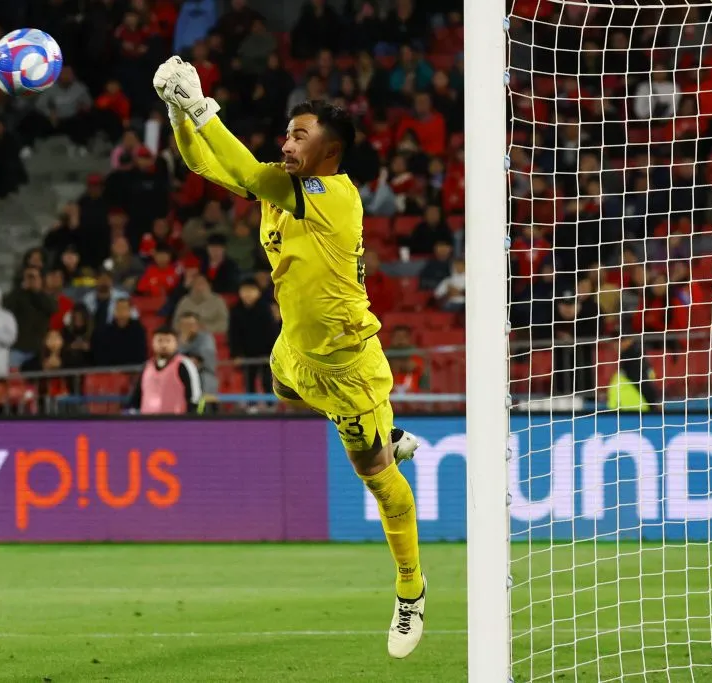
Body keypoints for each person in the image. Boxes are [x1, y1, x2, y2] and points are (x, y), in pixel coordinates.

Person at [154, 57, 425, 657]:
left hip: (345, 363)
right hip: (293, 353)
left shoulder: (334, 194)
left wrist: (202, 105)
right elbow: (209, 162)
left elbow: (246, 171)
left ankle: (411, 591)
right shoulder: (278, 191)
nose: (287, 143)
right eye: (287, 133)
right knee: (281, 390)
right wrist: (178, 111)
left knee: (379, 481)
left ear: (331, 152)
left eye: (300, 136)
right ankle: (386, 428)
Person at [127, 326, 202, 414]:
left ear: (176, 343)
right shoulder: (146, 367)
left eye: (168, 341)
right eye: (159, 340)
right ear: (152, 343)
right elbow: (137, 397)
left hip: (176, 423)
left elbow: (195, 397)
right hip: (148, 423)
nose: (163, 345)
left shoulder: (184, 365)